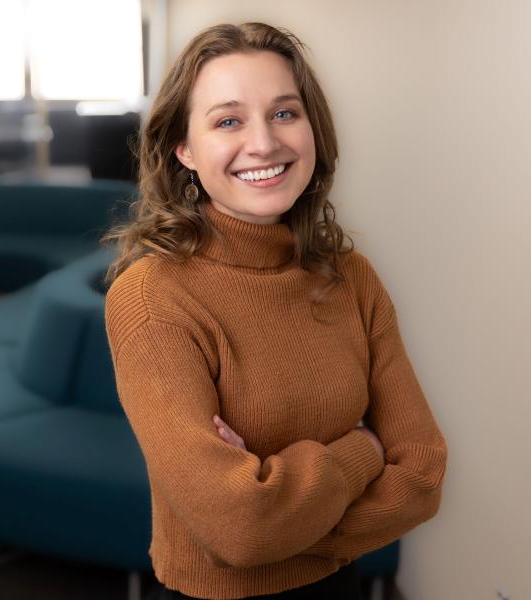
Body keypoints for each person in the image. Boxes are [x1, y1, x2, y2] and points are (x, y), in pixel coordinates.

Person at [100, 21, 448, 600]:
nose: (263, 143)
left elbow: (422, 474)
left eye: (284, 113)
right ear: (183, 148)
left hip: (341, 584)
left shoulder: (350, 276)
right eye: (228, 120)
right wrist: (364, 450)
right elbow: (239, 530)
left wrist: (274, 509)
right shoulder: (152, 298)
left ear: (313, 128)